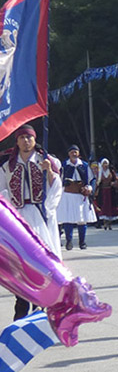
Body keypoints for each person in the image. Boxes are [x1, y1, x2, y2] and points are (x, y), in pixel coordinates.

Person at [0, 124, 62, 319]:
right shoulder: (7, 165)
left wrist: (50, 173)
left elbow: (56, 189)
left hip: (39, 215)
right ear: (16, 141)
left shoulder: (47, 161)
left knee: (41, 263)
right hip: (17, 217)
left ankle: (41, 308)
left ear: (35, 140)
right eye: (22, 138)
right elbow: (2, 192)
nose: (26, 142)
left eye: (29, 138)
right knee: (19, 263)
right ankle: (21, 308)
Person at [58, 145, 97, 250]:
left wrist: (89, 188)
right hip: (67, 195)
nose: (73, 154)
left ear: (78, 153)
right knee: (68, 219)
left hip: (80, 194)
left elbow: (92, 179)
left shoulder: (84, 165)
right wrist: (63, 184)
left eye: (75, 152)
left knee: (82, 219)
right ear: (68, 154)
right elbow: (58, 179)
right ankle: (69, 241)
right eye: (71, 152)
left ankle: (82, 242)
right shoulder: (64, 165)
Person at [96, 158, 118, 230]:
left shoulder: (111, 172)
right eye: (104, 164)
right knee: (104, 207)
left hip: (110, 191)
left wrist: (114, 183)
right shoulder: (100, 173)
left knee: (111, 207)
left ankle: (109, 224)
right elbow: (98, 182)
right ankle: (105, 223)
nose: (105, 165)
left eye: (106, 163)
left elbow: (116, 179)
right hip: (103, 192)